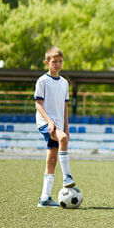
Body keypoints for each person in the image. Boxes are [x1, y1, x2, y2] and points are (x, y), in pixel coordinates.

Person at [34, 46, 76, 207]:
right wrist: (50, 122)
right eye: (54, 62)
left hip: (58, 124)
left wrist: (66, 128)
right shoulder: (42, 81)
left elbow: (65, 108)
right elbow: (38, 104)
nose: (57, 64)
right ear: (47, 62)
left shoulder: (64, 83)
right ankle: (67, 177)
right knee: (62, 138)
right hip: (45, 123)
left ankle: (44, 198)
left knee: (52, 159)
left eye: (60, 61)